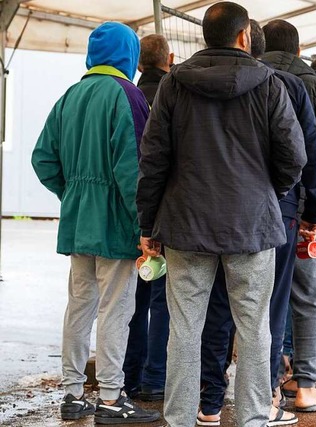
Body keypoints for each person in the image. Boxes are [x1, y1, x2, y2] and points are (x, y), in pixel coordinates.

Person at [136, 3, 307, 427]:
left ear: (204, 37)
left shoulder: (175, 84)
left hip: (185, 223)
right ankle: (252, 418)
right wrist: (268, 190)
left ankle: (179, 419)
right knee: (253, 326)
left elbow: (153, 159)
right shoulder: (268, 84)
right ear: (245, 36)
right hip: (251, 225)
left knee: (185, 327)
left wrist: (147, 224)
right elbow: (294, 156)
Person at [197, 19, 316, 425]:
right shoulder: (284, 86)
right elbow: (306, 155)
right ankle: (266, 401)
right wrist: (307, 207)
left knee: (215, 310)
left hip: (203, 213)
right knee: (266, 311)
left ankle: (209, 403)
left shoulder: (188, 82)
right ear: (248, 40)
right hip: (272, 214)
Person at [31, 22, 160, 424]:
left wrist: (73, 196)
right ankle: (109, 397)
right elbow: (132, 172)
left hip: (77, 223)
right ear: (129, 55)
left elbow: (42, 159)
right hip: (117, 225)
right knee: (115, 311)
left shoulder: (70, 95)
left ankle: (71, 394)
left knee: (79, 307)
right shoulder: (129, 95)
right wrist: (146, 226)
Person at [261, 18, 316, 410]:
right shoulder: (315, 86)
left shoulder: (255, 78)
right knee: (310, 297)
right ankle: (307, 385)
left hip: (259, 210)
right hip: (306, 211)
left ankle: (267, 379)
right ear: (299, 51)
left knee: (261, 300)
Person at [123, 33, 173, 402]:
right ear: (169, 58)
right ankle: (156, 377)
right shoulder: (176, 96)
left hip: (132, 215)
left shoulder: (130, 98)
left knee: (133, 301)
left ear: (139, 63)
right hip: (168, 217)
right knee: (163, 300)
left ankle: (129, 374)